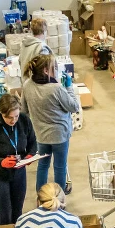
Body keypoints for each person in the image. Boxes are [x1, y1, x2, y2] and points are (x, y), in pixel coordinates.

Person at [21, 53, 80, 195]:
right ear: (46, 71)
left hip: (41, 134)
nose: (57, 69)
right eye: (54, 67)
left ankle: (41, 196)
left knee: (43, 165)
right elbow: (74, 107)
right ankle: (58, 198)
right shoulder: (56, 88)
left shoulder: (27, 85)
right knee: (60, 166)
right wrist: (69, 87)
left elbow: (24, 110)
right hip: (59, 135)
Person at [0, 93, 36, 225]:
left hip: (18, 171)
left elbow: (33, 143)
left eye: (16, 116)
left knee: (17, 211)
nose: (13, 121)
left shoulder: (24, 120)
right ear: (0, 113)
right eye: (9, 117)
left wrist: (29, 156)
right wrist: (2, 162)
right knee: (5, 212)